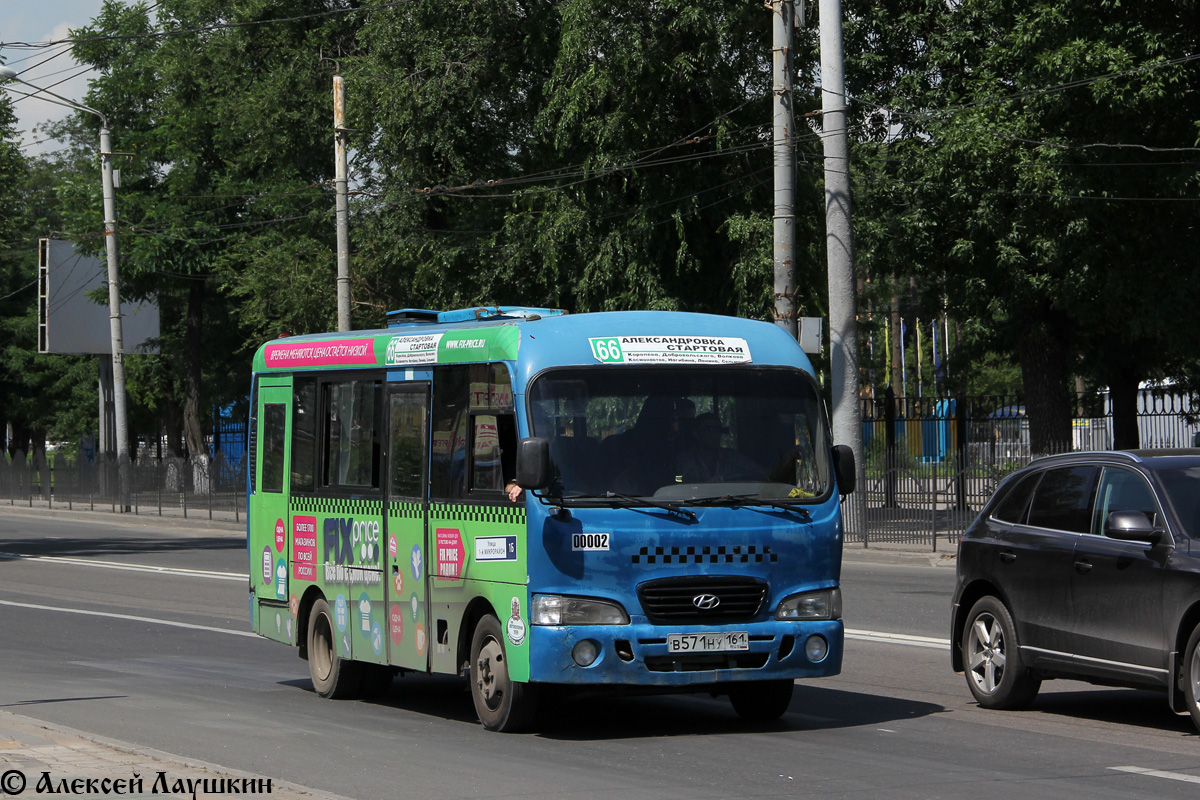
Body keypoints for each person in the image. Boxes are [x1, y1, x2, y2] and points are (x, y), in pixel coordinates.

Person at [673, 412, 761, 483]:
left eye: (718, 429)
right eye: (709, 429)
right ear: (696, 434)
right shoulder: (685, 459)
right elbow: (684, 481)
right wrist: (706, 485)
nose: (714, 434)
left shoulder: (732, 456)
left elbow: (759, 472)